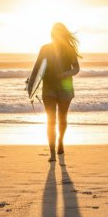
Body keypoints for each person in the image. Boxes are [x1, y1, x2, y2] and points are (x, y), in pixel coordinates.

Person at [30, 22, 81, 162]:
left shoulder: (69, 49)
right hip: (49, 86)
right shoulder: (45, 48)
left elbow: (76, 68)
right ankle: (52, 153)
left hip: (65, 86)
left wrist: (65, 74)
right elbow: (37, 68)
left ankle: (60, 141)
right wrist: (31, 85)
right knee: (50, 120)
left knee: (62, 118)